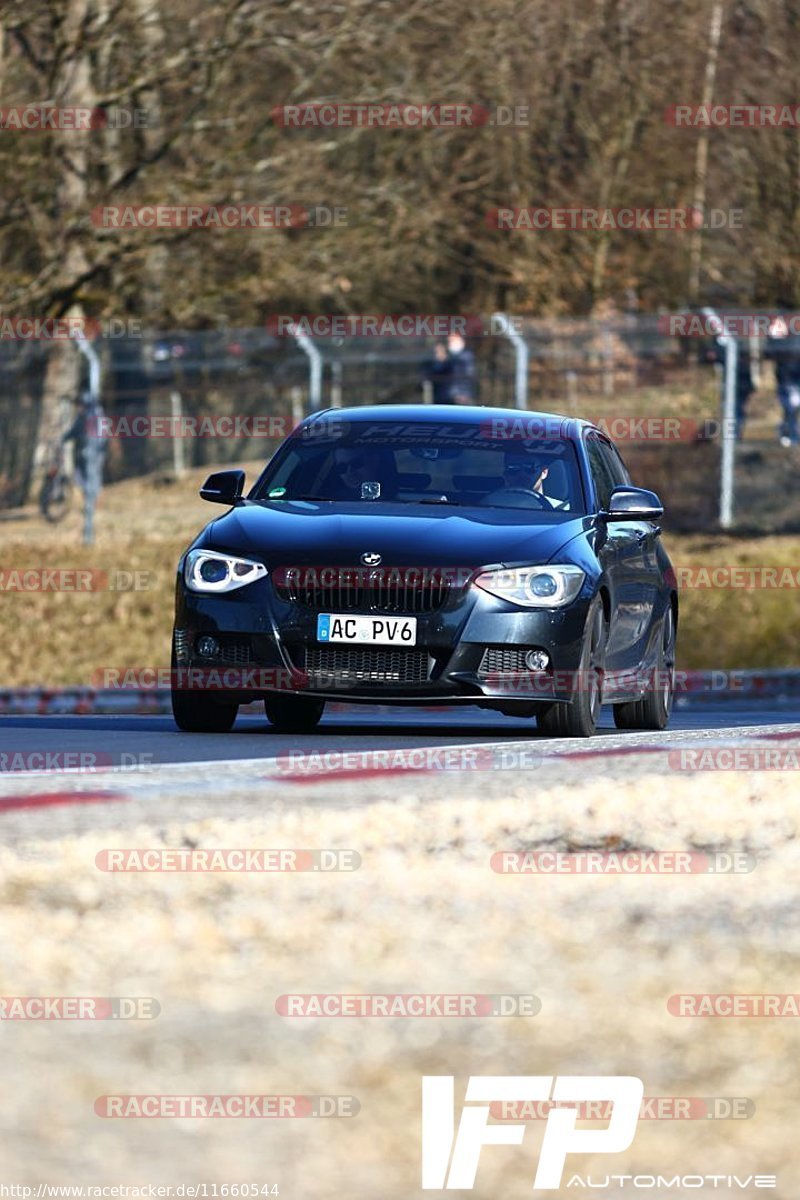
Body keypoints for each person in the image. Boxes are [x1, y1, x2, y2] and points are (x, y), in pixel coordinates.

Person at [63, 388, 106, 544]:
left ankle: (89, 536)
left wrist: (93, 453)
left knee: (90, 496)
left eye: (80, 404)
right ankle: (87, 533)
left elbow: (101, 440)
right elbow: (73, 432)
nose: (78, 407)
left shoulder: (94, 416)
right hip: (84, 460)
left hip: (92, 462)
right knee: (85, 493)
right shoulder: (84, 416)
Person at [765, 321, 800, 446]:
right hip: (787, 380)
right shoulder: (779, 342)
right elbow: (769, 354)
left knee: (792, 408)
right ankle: (789, 434)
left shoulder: (793, 339)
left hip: (791, 379)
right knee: (790, 408)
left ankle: (790, 433)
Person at [446, 333, 476, 404]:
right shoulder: (448, 358)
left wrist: (463, 394)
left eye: (453, 341)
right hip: (450, 396)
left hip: (463, 395)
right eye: (450, 341)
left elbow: (468, 376)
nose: (451, 344)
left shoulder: (466, 357)